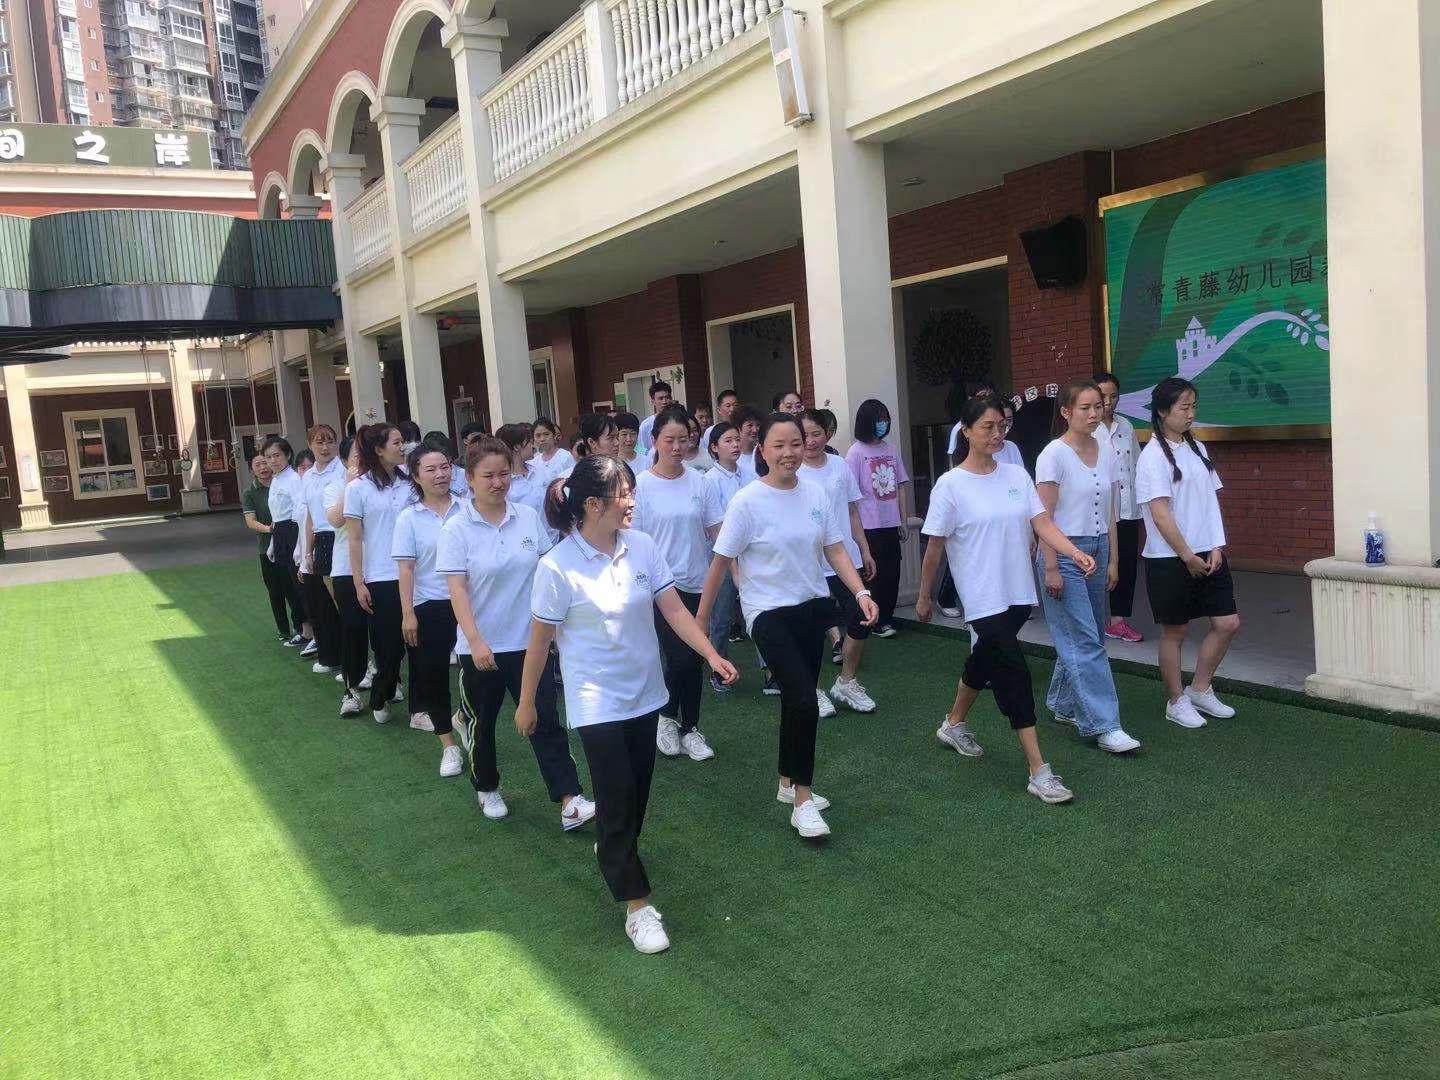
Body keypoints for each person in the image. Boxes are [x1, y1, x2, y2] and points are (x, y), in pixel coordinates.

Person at [520, 454, 737, 954]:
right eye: (623, 493)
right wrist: (527, 701)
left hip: (646, 694)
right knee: (616, 795)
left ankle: (615, 847)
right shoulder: (557, 567)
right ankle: (637, 907)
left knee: (635, 795)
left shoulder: (642, 546)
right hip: (596, 702)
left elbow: (674, 610)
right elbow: (539, 642)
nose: (632, 501)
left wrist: (711, 654)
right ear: (592, 505)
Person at [699, 413, 878, 840]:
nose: (789, 452)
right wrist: (700, 622)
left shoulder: (815, 493)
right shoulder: (747, 501)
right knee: (803, 698)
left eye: (795, 443)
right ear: (761, 450)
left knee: (797, 700)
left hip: (811, 608)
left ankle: (786, 781)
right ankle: (803, 798)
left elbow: (836, 550)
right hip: (767, 613)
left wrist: (860, 592)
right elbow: (721, 562)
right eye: (778, 445)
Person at [915, 395, 1092, 805]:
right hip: (981, 597)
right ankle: (1038, 770)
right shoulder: (950, 485)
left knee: (984, 659)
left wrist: (1072, 552)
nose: (997, 434)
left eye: (1002, 426)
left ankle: (953, 723)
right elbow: (934, 547)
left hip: (1017, 593)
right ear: (966, 431)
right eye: (988, 427)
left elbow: (1041, 522)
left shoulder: (1015, 475)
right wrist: (924, 596)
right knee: (1013, 672)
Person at [439, 437, 596, 828]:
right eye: (488, 476)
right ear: (469, 479)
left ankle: (569, 799)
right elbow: (457, 590)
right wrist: (476, 640)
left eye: (504, 474)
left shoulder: (526, 516)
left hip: (530, 642)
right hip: (482, 647)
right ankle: (487, 786)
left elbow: (546, 570)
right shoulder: (456, 528)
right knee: (484, 723)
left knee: (545, 718)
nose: (498, 483)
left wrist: (555, 627)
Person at [1034, 380, 1141, 753]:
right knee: (1085, 639)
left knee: (1090, 633)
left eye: (1098, 406)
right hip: (1063, 552)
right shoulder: (1053, 455)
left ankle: (1062, 703)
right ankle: (1103, 724)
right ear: (1066, 412)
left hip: (1098, 549)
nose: (1095, 413)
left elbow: (1110, 509)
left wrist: (1113, 559)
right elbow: (1043, 518)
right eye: (1085, 407)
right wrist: (1051, 567)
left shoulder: (1106, 448)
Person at [1136, 377, 1241, 729]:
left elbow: (1210, 502)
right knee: (1175, 631)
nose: (1191, 413)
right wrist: (1187, 556)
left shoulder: (1198, 449)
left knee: (1227, 623)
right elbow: (1160, 514)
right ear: (1163, 412)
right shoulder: (1152, 457)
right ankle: (1176, 701)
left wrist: (1216, 545)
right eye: (1184, 407)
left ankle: (1200, 689)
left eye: (1194, 406)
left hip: (1207, 552)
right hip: (1170, 558)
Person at [633, 406, 719, 761]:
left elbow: (716, 531)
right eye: (669, 440)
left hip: (699, 582)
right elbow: (632, 540)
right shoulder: (641, 485)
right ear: (654, 441)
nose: (677, 447)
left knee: (694, 658)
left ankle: (690, 728)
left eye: (683, 439)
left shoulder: (700, 481)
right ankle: (668, 718)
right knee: (681, 657)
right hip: (661, 588)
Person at [799, 409, 877, 715]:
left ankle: (846, 681)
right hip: (810, 563)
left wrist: (865, 550)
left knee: (860, 619)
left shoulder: (840, 465)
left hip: (845, 559)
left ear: (827, 434)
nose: (810, 441)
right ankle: (814, 689)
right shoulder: (793, 472)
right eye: (804, 435)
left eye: (816, 434)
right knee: (812, 628)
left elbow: (853, 512)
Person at [393, 437, 465, 769]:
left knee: (478, 673)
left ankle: (463, 717)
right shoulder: (409, 518)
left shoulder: (467, 508)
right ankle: (448, 744)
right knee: (434, 676)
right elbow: (406, 569)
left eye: (445, 467)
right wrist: (408, 613)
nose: (440, 474)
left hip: (469, 603)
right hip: (430, 604)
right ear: (416, 476)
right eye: (431, 469)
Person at [344, 423, 414, 723]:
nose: (403, 447)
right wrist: (358, 582)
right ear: (379, 449)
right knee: (389, 647)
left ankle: (420, 707)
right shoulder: (358, 488)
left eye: (403, 441)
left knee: (419, 645)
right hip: (381, 577)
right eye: (397, 442)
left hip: (417, 574)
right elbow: (354, 538)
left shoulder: (411, 482)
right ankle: (381, 693)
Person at [846, 399, 912, 641]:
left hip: (890, 523)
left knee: (892, 572)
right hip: (868, 525)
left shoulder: (891, 450)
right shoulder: (855, 452)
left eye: (885, 419)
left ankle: (887, 617)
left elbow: (900, 486)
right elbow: (850, 495)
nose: (883, 424)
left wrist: (903, 520)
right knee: (873, 574)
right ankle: (874, 619)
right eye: (879, 420)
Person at [1093, 373, 1144, 643]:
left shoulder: (1126, 425)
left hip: (1128, 509)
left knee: (1126, 565)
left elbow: (1137, 465)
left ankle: (1117, 621)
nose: (1108, 402)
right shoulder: (1088, 428)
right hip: (1099, 511)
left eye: (1114, 396)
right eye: (1102, 396)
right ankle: (1092, 619)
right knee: (1096, 564)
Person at [328, 435, 373, 717]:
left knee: (386, 632)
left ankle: (390, 683)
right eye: (357, 456)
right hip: (346, 568)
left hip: (380, 568)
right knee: (353, 630)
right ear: (345, 461)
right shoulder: (336, 486)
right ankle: (351, 690)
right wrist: (349, 484)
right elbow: (335, 519)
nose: (363, 461)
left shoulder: (384, 485)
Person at [242, 450, 304, 644]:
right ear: (252, 470)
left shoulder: (284, 481)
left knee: (293, 586)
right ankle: (283, 630)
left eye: (265, 462)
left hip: (289, 542)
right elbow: (250, 521)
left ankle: (301, 627)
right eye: (258, 465)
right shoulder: (250, 492)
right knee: (275, 590)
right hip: (267, 547)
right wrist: (270, 529)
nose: (263, 467)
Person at [700, 421, 745, 692]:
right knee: (722, 617)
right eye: (728, 441)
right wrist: (732, 567)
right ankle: (719, 671)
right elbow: (716, 530)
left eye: (737, 439)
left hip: (749, 554)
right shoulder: (710, 480)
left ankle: (770, 672)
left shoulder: (748, 473)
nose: (736, 445)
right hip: (721, 558)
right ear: (714, 448)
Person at [299, 424, 344, 676]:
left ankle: (356, 662)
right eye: (319, 442)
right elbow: (309, 517)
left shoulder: (342, 471)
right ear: (310, 445)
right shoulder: (307, 476)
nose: (325, 447)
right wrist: (307, 553)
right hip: (321, 540)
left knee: (343, 602)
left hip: (341, 536)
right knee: (324, 604)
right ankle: (332, 656)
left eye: (329, 441)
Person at [259, 435, 312, 648]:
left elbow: (300, 513)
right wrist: (273, 542)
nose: (272, 461)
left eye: (277, 455)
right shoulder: (276, 479)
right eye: (268, 457)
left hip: (293, 531)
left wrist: (300, 546)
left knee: (300, 585)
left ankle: (315, 632)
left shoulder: (293, 479)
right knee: (288, 585)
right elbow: (276, 515)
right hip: (280, 533)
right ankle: (303, 629)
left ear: (288, 455)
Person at [531, 417, 574, 486]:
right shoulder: (534, 461)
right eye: (538, 436)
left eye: (546, 434)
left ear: (554, 435)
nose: (542, 439)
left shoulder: (565, 456)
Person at [634, 380, 673, 453]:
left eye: (667, 397)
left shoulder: (679, 420)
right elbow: (640, 449)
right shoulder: (646, 425)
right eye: (660, 398)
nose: (664, 402)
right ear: (653, 401)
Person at [732, 404, 763, 486]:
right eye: (750, 425)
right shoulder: (733, 458)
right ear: (738, 428)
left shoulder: (763, 454)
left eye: (758, 425)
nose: (755, 430)